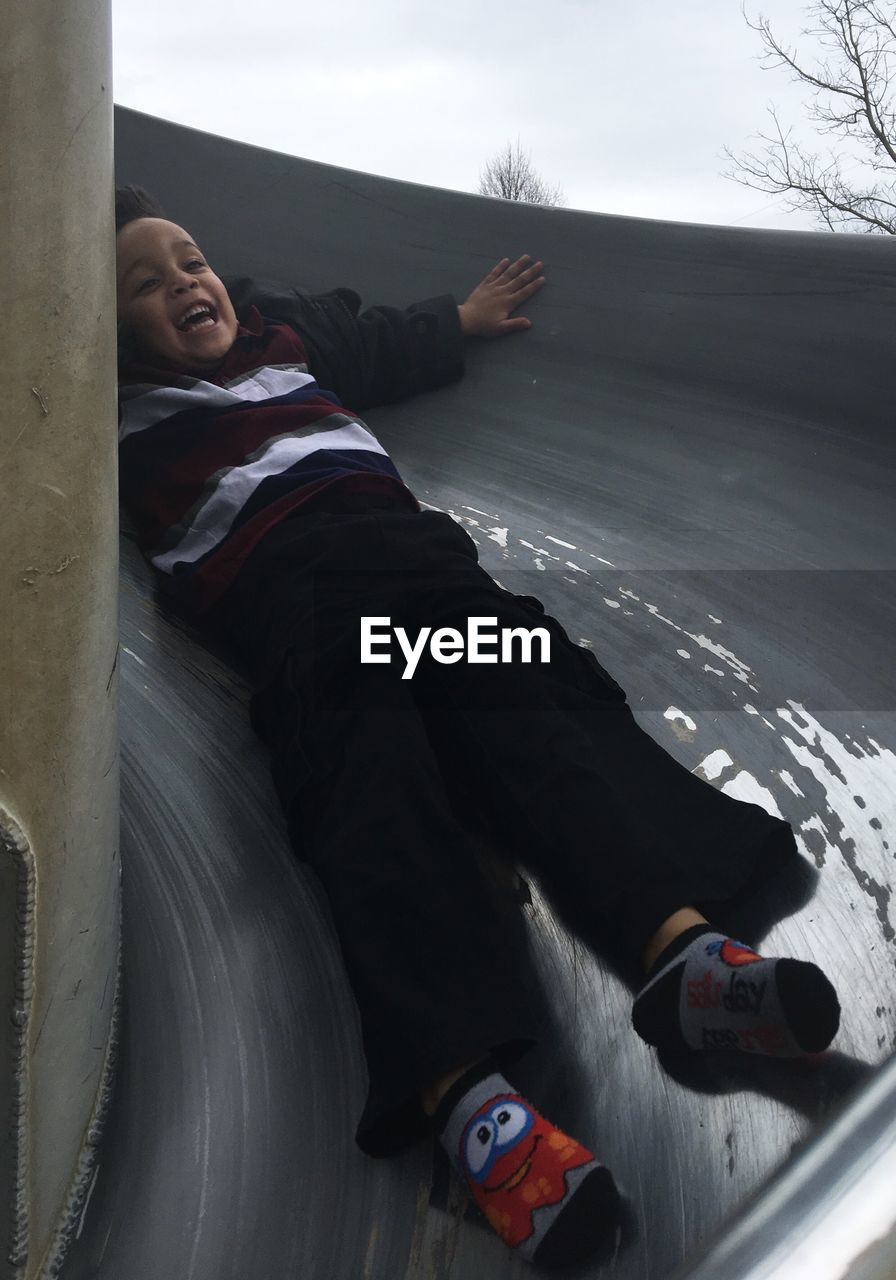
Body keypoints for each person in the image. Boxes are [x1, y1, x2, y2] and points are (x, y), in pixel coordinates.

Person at [114, 183, 841, 1271]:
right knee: (373, 798)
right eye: (146, 282)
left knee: (542, 721)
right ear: (110, 328)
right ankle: (473, 1107)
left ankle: (685, 960)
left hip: (423, 574)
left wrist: (455, 317)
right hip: (300, 607)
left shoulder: (283, 338)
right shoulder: (113, 413)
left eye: (191, 260)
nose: (184, 283)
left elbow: (369, 336)